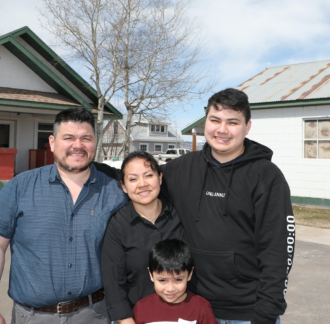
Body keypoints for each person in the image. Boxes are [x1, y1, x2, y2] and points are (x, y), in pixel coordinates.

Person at [0, 107, 127, 324]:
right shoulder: (21, 186)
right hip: (33, 317)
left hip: (95, 315)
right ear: (52, 142)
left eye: (86, 138)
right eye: (69, 138)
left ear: (95, 142)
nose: (78, 145)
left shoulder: (115, 192)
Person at [161, 88, 295, 324]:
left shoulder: (266, 176)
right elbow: (139, 181)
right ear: (205, 122)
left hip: (247, 312)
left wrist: (266, 312)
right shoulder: (181, 168)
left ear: (247, 126)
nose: (222, 130)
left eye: (232, 122)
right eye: (215, 120)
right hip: (192, 306)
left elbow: (278, 251)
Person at [101, 151, 184, 324]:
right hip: (138, 317)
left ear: (160, 178)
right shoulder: (118, 225)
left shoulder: (181, 215)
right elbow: (114, 284)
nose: (142, 184)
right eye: (133, 179)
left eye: (149, 176)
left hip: (184, 316)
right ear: (124, 186)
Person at [132, 239, 217, 324]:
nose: (170, 289)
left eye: (178, 280)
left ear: (190, 274)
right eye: (162, 280)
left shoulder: (201, 307)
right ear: (151, 275)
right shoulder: (141, 308)